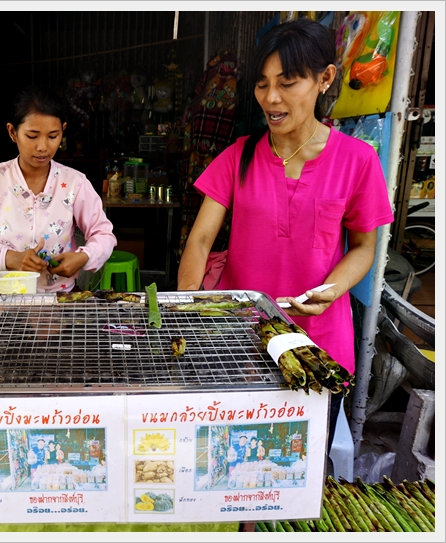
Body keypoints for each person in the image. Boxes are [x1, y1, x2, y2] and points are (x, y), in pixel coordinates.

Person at [176, 18, 394, 454]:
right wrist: (185, 312)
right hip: (242, 342)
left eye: (288, 83)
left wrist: (333, 290)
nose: (271, 98)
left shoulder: (358, 160)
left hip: (319, 343)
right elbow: (200, 241)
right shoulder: (239, 155)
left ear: (325, 79)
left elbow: (365, 247)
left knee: (299, 470)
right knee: (232, 463)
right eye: (262, 84)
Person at [0, 85, 117, 292]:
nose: (43, 146)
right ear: (12, 132)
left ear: (63, 131)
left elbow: (104, 233)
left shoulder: (74, 183)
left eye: (53, 136)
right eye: (32, 136)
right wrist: (10, 258)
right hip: (6, 299)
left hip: (61, 299)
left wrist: (84, 257)